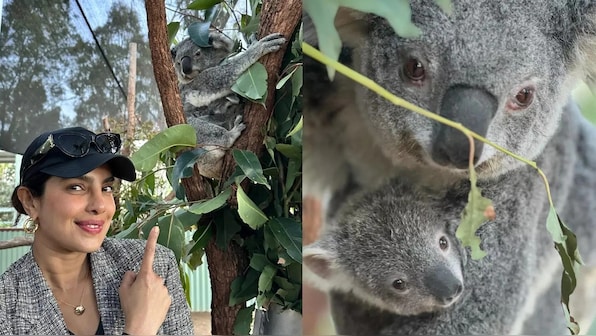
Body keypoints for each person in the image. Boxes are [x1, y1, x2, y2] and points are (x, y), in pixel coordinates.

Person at [0, 126, 194, 335]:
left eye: (106, 188)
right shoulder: (7, 307)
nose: (100, 206)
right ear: (30, 201)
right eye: (76, 187)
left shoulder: (151, 271)